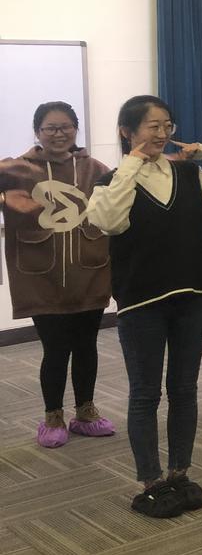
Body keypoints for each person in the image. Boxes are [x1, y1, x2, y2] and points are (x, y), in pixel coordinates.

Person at [86, 95, 202, 518]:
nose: (161, 133)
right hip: (142, 301)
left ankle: (179, 472)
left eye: (167, 125)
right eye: (152, 126)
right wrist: (131, 164)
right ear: (128, 131)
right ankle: (151, 481)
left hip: (193, 295)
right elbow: (109, 221)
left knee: (184, 389)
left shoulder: (187, 173)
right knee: (145, 394)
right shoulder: (111, 181)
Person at [0, 102, 115, 448]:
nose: (59, 134)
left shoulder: (95, 168)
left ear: (76, 129)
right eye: (50, 128)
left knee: (86, 345)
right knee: (55, 348)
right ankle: (53, 416)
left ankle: (86, 412)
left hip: (89, 271)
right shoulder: (16, 169)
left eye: (66, 127)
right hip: (40, 277)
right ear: (38, 132)